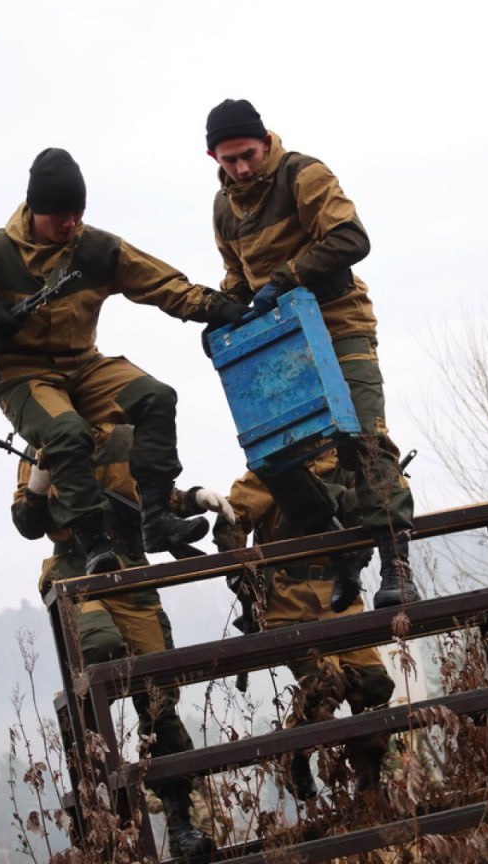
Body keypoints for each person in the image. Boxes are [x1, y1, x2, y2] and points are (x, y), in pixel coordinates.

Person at [0, 146, 247, 577]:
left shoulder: (96, 248)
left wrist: (216, 307)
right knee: (67, 433)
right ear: (34, 209)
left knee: (156, 397)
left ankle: (156, 518)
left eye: (77, 212)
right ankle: (94, 539)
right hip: (22, 374)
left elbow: (162, 284)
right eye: (59, 215)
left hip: (82, 364)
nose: (69, 223)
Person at [203, 99, 420, 609]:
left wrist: (287, 277)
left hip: (339, 324)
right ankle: (339, 543)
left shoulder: (302, 174)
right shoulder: (223, 209)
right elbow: (238, 278)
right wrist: (222, 313)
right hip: (280, 343)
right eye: (229, 160)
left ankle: (395, 560)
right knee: (273, 456)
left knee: (362, 439)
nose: (241, 168)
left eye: (248, 155)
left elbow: (350, 238)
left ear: (264, 142)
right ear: (212, 157)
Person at [13, 422, 232, 860]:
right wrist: (40, 481)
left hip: (132, 575)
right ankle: (105, 813)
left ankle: (180, 824)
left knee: (159, 698)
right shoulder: (45, 439)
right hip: (77, 572)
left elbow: (158, 497)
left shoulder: (126, 437)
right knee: (98, 651)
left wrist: (195, 498)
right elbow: (27, 521)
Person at [213, 449, 396, 800]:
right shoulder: (274, 467)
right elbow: (231, 517)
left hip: (342, 596)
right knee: (324, 683)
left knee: (375, 687)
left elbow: (377, 508)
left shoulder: (349, 466)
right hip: (290, 598)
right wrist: (240, 574)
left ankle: (369, 779)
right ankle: (295, 754)